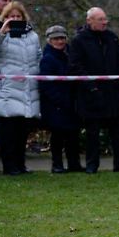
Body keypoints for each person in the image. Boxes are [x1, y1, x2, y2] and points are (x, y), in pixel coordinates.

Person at [0, 1, 41, 175]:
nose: (15, 19)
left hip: (27, 89)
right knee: (8, 131)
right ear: (5, 17)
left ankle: (21, 164)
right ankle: (9, 166)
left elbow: (38, 57)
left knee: (22, 131)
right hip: (6, 90)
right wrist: (1, 34)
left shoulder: (32, 36)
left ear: (23, 17)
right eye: (11, 16)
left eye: (18, 16)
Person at [68, 7, 119, 173]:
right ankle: (92, 164)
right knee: (92, 133)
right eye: (100, 19)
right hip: (90, 93)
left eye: (105, 19)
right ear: (89, 21)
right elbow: (75, 66)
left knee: (117, 131)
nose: (105, 22)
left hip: (113, 93)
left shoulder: (112, 38)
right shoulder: (79, 41)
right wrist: (91, 86)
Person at [38, 25, 81, 174]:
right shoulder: (48, 59)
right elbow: (46, 84)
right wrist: (59, 99)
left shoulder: (70, 55)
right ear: (50, 41)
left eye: (62, 38)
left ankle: (74, 163)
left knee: (73, 135)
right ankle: (57, 164)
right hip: (55, 104)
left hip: (71, 101)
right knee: (58, 136)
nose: (60, 41)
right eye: (56, 39)